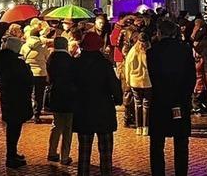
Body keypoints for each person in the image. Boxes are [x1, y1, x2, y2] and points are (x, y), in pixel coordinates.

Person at [147, 20, 196, 176]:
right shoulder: (185, 50)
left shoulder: (152, 52)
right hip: (180, 101)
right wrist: (186, 95)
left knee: (157, 144)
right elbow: (191, 77)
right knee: (181, 142)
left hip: (160, 101)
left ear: (160, 33)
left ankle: (158, 172)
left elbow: (153, 76)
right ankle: (181, 172)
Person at [71, 30, 122, 176]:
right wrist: (117, 99)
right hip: (103, 110)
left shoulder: (76, 64)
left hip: (83, 110)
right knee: (105, 152)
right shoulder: (105, 65)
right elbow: (114, 85)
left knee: (84, 151)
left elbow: (71, 84)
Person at [0, 37, 33, 169]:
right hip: (17, 99)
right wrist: (26, 68)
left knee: (13, 128)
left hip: (9, 99)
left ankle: (12, 153)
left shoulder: (3, 61)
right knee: (14, 129)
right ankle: (11, 157)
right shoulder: (15, 63)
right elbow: (26, 80)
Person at [46, 37, 75, 165]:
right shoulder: (70, 60)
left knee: (56, 124)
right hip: (69, 95)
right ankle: (65, 156)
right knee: (68, 127)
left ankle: (52, 152)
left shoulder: (51, 58)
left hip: (56, 93)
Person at [20, 27, 50, 123]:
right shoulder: (43, 47)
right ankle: (37, 115)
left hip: (28, 73)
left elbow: (22, 58)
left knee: (27, 93)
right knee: (39, 95)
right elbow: (47, 58)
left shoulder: (24, 46)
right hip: (41, 73)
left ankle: (27, 113)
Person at [125, 31, 152, 136]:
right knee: (146, 105)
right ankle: (146, 127)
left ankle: (138, 127)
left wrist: (128, 81)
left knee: (138, 104)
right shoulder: (148, 51)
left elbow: (127, 67)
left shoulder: (132, 52)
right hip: (147, 81)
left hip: (134, 81)